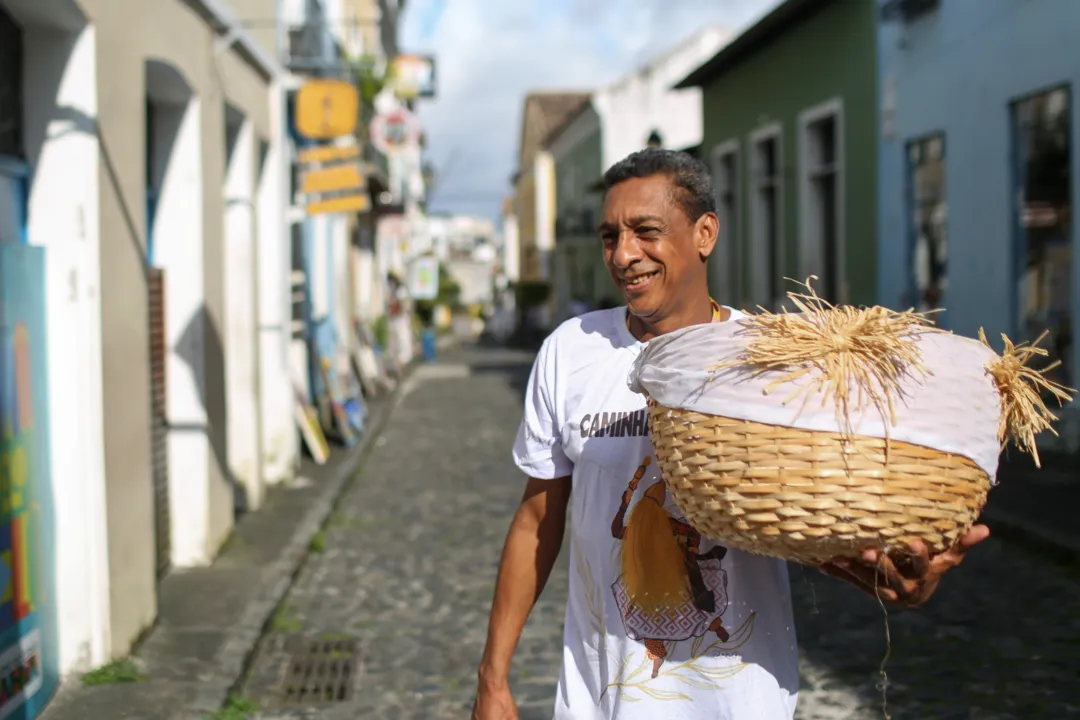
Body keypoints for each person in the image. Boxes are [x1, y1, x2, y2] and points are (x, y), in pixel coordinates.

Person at [471, 148, 990, 719]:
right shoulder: (570, 352)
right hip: (602, 702)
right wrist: (493, 678)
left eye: (646, 231)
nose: (623, 255)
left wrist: (894, 577)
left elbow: (820, 520)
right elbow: (536, 521)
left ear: (705, 233)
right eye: (609, 236)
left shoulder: (769, 359)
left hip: (742, 702)